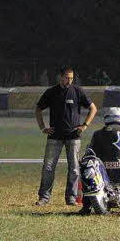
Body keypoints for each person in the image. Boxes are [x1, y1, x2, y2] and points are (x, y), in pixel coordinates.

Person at [34, 66, 97, 206]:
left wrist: (84, 125)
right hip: (54, 137)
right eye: (67, 78)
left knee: (74, 168)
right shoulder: (51, 92)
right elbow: (38, 108)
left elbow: (93, 108)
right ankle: (44, 197)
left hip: (73, 136)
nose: (69, 81)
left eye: (71, 78)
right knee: (48, 167)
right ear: (60, 77)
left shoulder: (78, 91)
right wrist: (43, 127)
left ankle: (71, 198)